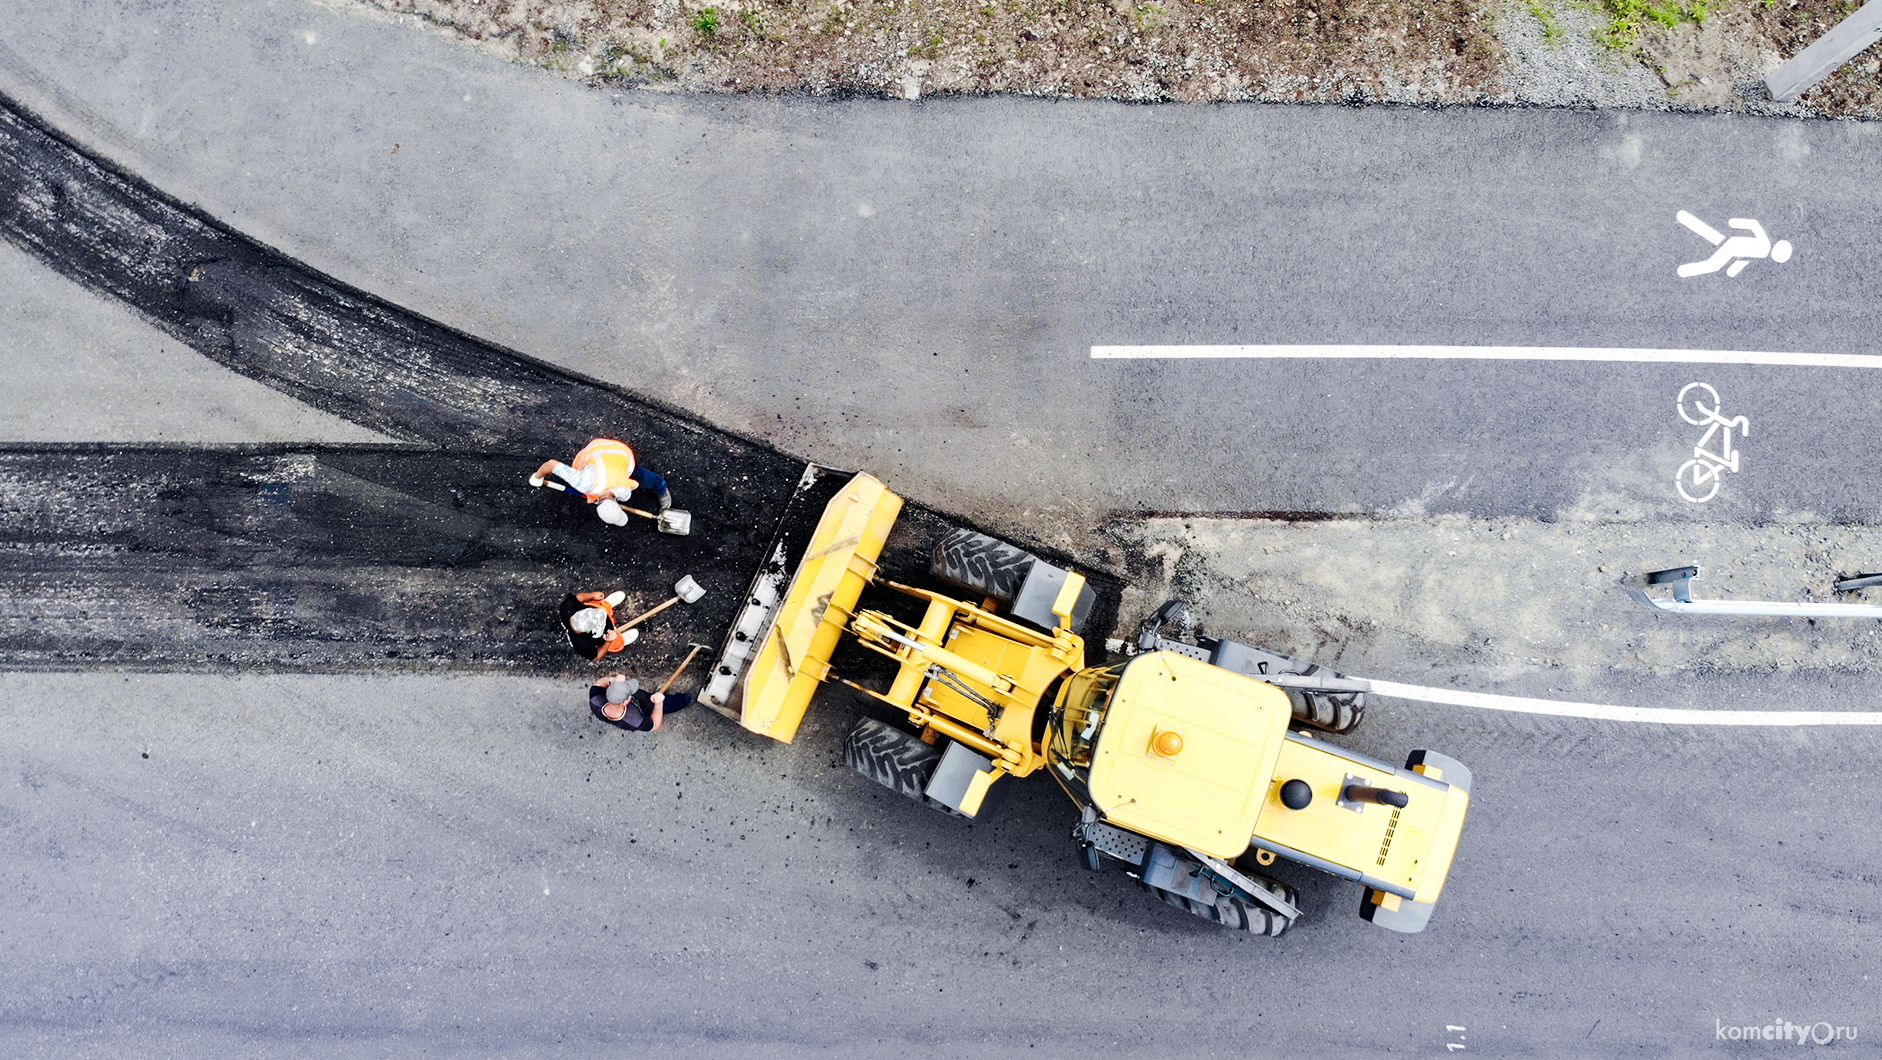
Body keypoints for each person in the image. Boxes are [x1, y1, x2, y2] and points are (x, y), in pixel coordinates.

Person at [530, 437, 673, 527]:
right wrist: (537, 477)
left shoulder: (583, 483)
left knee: (646, 478)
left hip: (621, 454)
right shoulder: (622, 492)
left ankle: (661, 488)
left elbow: (550, 464)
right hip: (600, 453)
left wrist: (537, 477)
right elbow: (550, 465)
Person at [589, 675, 692, 732]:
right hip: (649, 708)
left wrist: (612, 681)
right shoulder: (634, 720)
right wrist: (658, 703)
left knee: (647, 696)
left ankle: (656, 695)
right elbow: (655, 725)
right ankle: (688, 699)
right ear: (625, 702)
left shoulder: (595, 699)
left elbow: (599, 683)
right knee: (673, 702)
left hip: (643, 699)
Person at [560, 590, 638, 660]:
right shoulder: (581, 645)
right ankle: (618, 640)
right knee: (612, 642)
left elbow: (577, 598)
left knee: (601, 608)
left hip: (597, 607)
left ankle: (606, 604)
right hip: (604, 637)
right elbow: (596, 656)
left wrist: (592, 595)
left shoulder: (567, 607)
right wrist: (608, 641)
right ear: (588, 631)